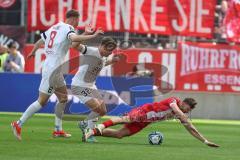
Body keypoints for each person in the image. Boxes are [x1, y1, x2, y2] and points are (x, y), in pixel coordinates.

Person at [11, 9, 103, 140]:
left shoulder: (54, 27)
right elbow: (74, 39)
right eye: (78, 20)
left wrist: (33, 51)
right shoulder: (68, 28)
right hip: (53, 70)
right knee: (42, 101)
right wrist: (92, 36)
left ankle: (58, 130)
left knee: (63, 98)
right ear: (74, 19)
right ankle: (18, 123)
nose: (78, 23)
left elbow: (39, 42)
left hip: (52, 67)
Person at [84, 97, 219, 147]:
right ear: (183, 103)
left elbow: (191, 128)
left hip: (145, 122)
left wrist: (205, 141)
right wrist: (184, 116)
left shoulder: (180, 114)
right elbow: (177, 110)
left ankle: (92, 132)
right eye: (186, 108)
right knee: (125, 119)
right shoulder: (174, 101)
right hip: (144, 111)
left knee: (120, 134)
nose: (185, 111)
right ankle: (98, 127)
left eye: (188, 110)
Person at [71, 36, 124, 142]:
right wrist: (87, 34)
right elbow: (75, 45)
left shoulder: (103, 56)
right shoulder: (91, 51)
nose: (109, 53)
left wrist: (113, 60)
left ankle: (84, 124)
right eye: (108, 50)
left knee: (103, 110)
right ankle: (88, 133)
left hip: (91, 86)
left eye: (111, 51)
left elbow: (103, 63)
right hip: (79, 85)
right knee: (97, 109)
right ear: (102, 46)